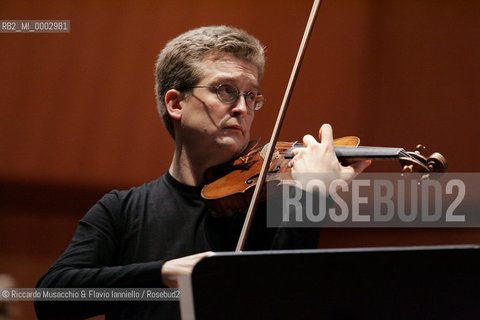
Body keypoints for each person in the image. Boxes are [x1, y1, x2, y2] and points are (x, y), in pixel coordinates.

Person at [35, 25, 370, 319]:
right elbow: (51, 296)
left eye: (251, 95)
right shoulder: (122, 210)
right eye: (225, 90)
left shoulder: (270, 206)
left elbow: (290, 301)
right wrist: (163, 272)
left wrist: (311, 198)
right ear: (176, 104)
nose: (242, 107)